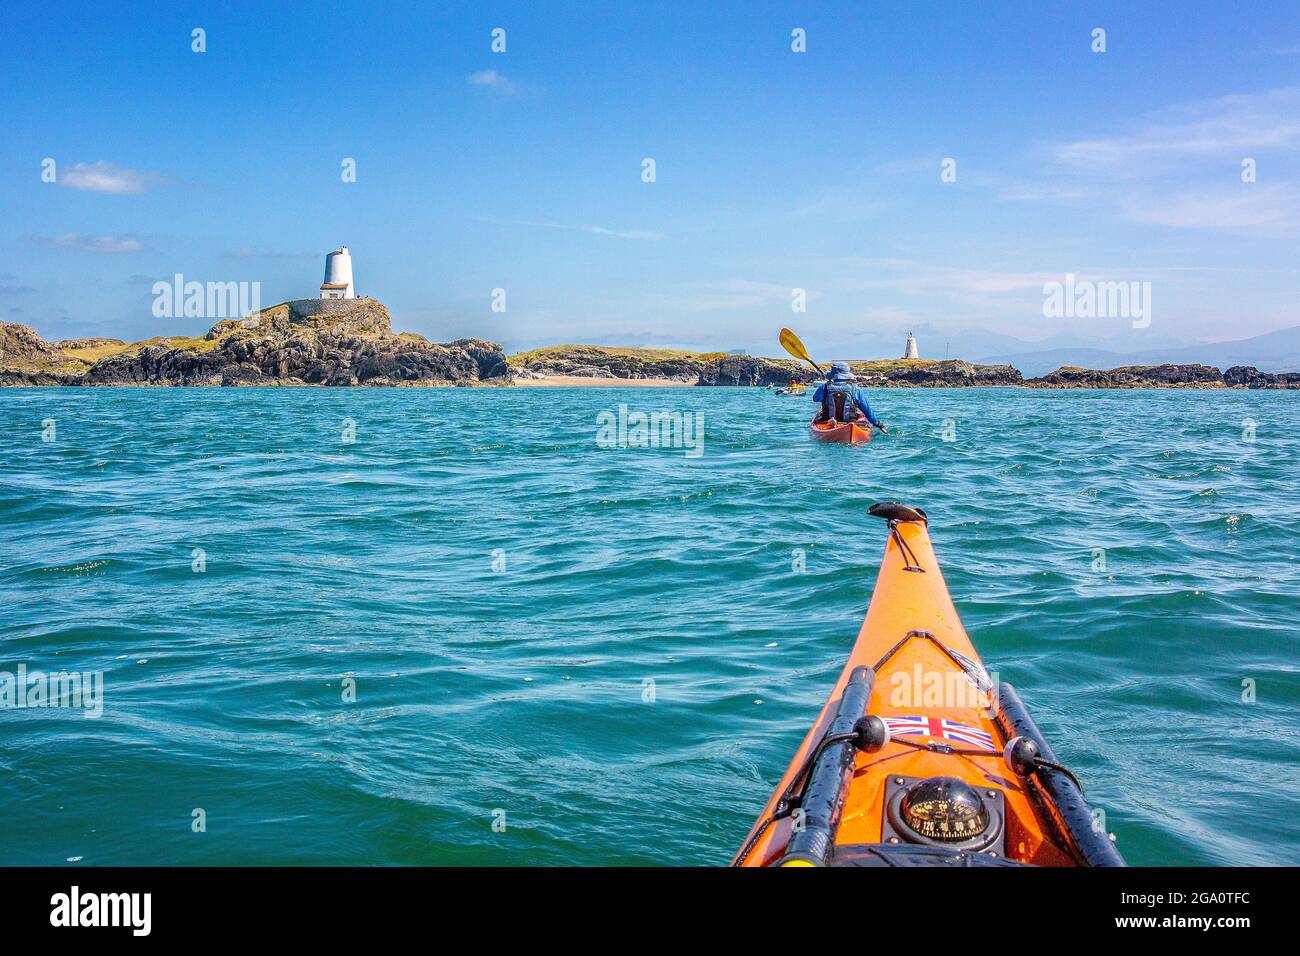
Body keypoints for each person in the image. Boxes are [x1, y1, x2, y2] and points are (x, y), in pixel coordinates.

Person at [812, 361, 886, 431]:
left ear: (833, 375)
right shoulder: (855, 388)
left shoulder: (824, 387)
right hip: (850, 421)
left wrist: (826, 388)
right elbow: (866, 409)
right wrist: (877, 423)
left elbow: (815, 399)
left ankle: (833, 422)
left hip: (827, 421)